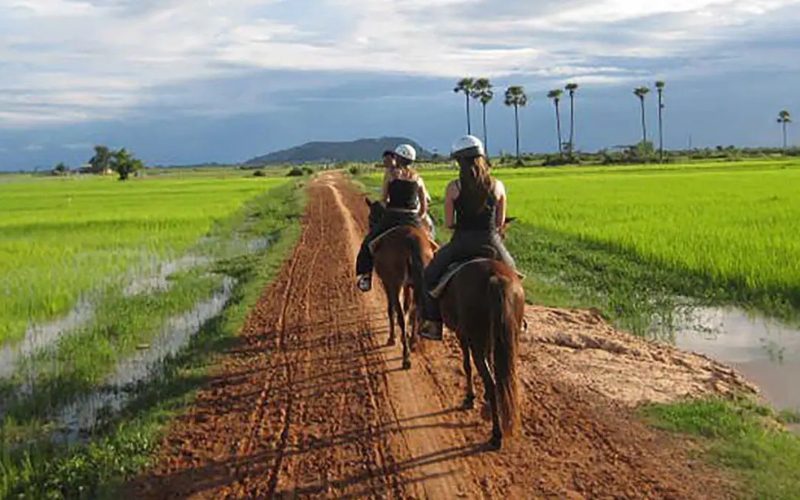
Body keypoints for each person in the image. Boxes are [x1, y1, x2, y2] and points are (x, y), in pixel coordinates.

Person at [419, 135, 515, 340]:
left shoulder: (454, 187)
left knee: (429, 277)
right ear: (481, 156)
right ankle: (517, 319)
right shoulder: (498, 186)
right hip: (491, 242)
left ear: (459, 161)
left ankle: (434, 324)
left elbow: (447, 223)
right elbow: (500, 223)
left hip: (461, 244)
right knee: (513, 274)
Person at [355, 144, 428, 292]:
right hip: (412, 218)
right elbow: (424, 208)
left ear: (398, 158)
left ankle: (365, 276)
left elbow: (383, 199)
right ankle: (432, 279)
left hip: (393, 216)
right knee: (430, 244)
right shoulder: (418, 178)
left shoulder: (391, 174)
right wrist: (417, 218)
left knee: (368, 243)